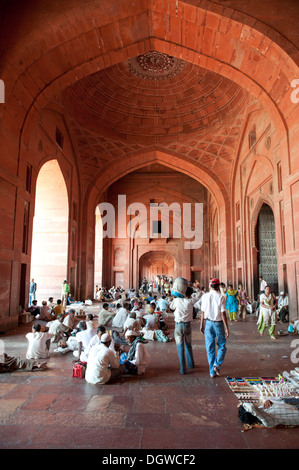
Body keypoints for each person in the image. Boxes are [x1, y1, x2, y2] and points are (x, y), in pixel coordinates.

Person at [200, 278, 229, 378]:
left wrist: (201, 324)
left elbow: (202, 312)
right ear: (218, 286)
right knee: (222, 345)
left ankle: (212, 372)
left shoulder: (204, 296)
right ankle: (217, 364)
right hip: (218, 323)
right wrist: (227, 328)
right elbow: (223, 313)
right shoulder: (221, 297)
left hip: (208, 323)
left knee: (210, 348)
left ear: (210, 286)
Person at [169, 286, 196, 375]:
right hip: (187, 325)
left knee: (180, 347)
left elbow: (171, 307)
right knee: (188, 345)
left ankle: (182, 369)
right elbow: (199, 295)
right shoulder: (191, 301)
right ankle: (191, 364)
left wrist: (174, 297)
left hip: (178, 326)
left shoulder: (177, 301)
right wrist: (196, 288)